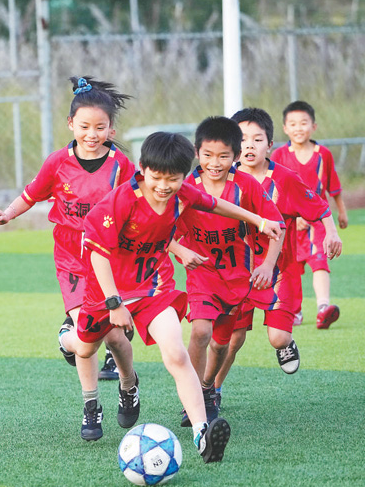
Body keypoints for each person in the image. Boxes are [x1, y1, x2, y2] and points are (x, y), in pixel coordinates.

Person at [59, 131, 283, 462]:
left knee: (177, 354)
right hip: (107, 290)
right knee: (85, 347)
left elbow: (215, 204)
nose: (164, 186)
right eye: (157, 177)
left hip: (153, 287)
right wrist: (114, 303)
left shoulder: (182, 194)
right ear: (142, 169)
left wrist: (258, 220)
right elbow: (97, 255)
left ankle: (202, 434)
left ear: (183, 175)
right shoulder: (121, 201)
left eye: (173, 179)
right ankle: (66, 338)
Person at [0, 76, 136, 441]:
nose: (91, 134)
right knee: (86, 340)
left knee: (115, 338)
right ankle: (91, 405)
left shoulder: (121, 166)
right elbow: (30, 195)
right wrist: (7, 214)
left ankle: (129, 385)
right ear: (71, 124)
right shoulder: (57, 163)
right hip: (71, 258)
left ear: (111, 129)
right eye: (84, 126)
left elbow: (137, 207)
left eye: (99, 127)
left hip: (107, 260)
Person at [210, 108, 342, 410]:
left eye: (258, 139)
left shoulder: (285, 179)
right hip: (236, 273)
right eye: (243, 139)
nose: (249, 146)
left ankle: (286, 344)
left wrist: (332, 232)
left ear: (270, 145)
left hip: (280, 272)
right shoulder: (222, 177)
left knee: (278, 338)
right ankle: (212, 391)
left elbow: (319, 207)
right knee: (232, 339)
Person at [171, 116, 286, 427]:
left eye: (223, 156)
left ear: (235, 156)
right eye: (208, 155)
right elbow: (161, 232)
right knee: (200, 332)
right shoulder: (184, 188)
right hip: (201, 275)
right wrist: (181, 250)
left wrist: (267, 264)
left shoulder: (246, 186)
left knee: (221, 343)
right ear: (196, 152)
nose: (214, 163)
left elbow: (277, 226)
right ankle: (193, 398)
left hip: (236, 279)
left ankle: (208, 388)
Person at [272, 100, 348, 329]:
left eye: (304, 123)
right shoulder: (279, 155)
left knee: (320, 262)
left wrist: (341, 211)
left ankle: (323, 307)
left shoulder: (323, 154)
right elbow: (273, 189)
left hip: (318, 222)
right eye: (293, 123)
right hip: (289, 223)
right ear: (285, 128)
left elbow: (333, 185)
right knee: (291, 269)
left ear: (313, 126)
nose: (299, 128)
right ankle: (294, 311)